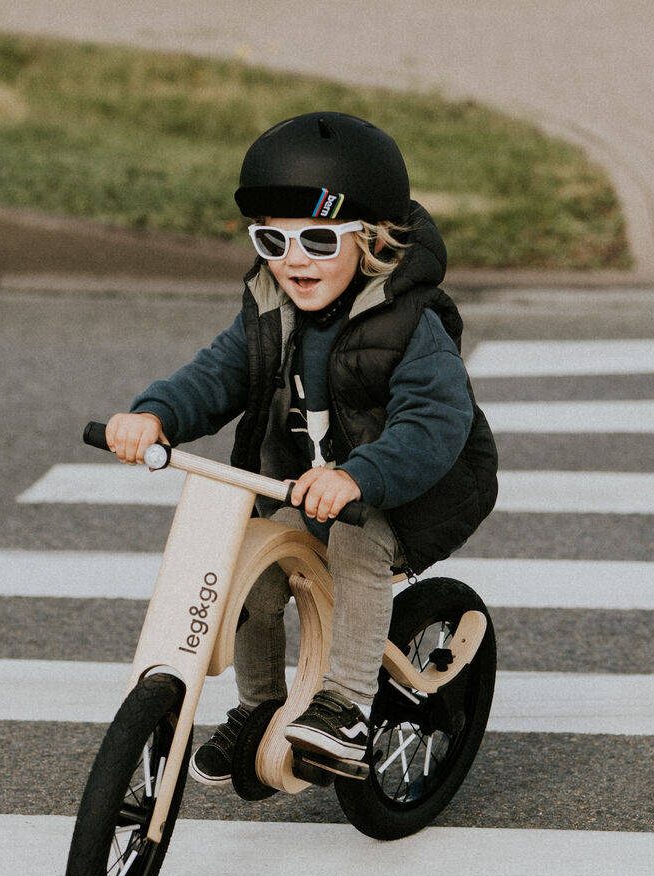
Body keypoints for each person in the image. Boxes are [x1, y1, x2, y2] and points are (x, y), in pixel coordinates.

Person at [105, 111, 498, 784]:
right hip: (300, 486)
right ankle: (259, 707)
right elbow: (218, 373)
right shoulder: (269, 307)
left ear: (371, 239)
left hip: (410, 491)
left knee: (355, 542)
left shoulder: (411, 326)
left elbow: (431, 425)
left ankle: (346, 705)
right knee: (247, 562)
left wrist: (361, 475)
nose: (294, 260)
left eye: (318, 239)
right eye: (273, 240)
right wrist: (156, 414)